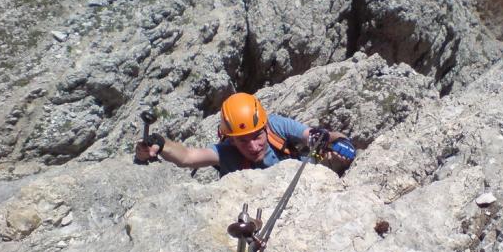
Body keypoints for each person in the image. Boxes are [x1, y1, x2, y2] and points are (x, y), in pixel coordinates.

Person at [134, 92, 355, 175]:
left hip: (297, 176)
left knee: (330, 160)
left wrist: (340, 141)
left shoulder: (275, 125)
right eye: (243, 141)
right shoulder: (226, 153)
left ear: (264, 128)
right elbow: (188, 157)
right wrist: (161, 143)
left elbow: (316, 136)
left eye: (257, 136)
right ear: (231, 139)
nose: (253, 146)